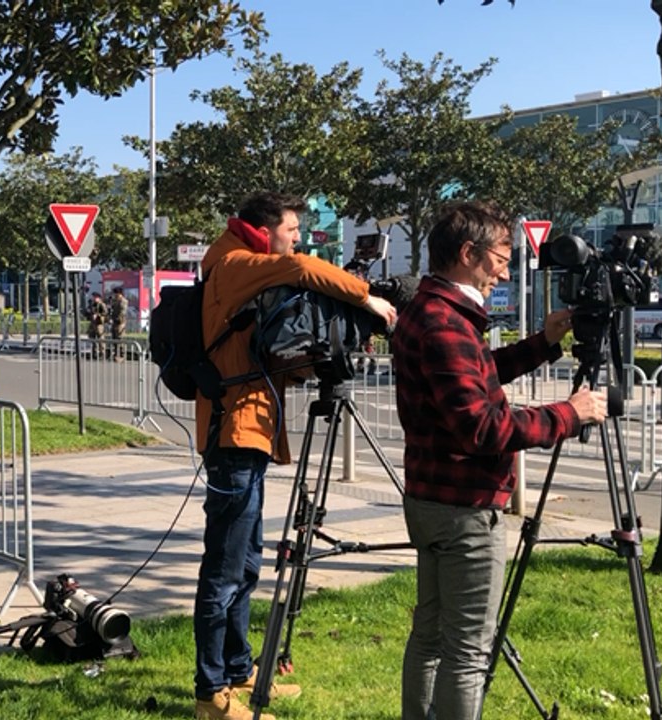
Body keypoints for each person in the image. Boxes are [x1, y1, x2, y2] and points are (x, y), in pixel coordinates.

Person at [391, 201, 607, 720]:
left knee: (430, 635)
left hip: (432, 497)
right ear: (469, 254)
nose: (504, 272)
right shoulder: (446, 323)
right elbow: (483, 426)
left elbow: (475, 375)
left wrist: (543, 344)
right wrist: (569, 414)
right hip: (464, 506)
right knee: (467, 651)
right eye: (500, 259)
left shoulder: (431, 310)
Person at [192, 192, 396, 720]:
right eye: (290, 229)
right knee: (224, 568)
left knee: (249, 564)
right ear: (264, 231)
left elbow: (269, 351)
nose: (297, 238)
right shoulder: (235, 262)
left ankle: (239, 672)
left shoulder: (243, 266)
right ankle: (210, 693)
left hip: (250, 431)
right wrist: (366, 297)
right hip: (234, 433)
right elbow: (302, 267)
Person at [108, 286, 128, 360]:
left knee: (120, 338)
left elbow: (122, 312)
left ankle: (122, 355)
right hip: (114, 322)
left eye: (116, 294)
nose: (115, 295)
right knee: (114, 339)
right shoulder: (115, 301)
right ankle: (116, 354)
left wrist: (117, 319)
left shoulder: (123, 301)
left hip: (120, 322)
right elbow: (112, 310)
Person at [85, 292, 107, 359]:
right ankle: (94, 353)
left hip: (99, 324)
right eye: (93, 297)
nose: (94, 298)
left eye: (95, 297)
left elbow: (105, 313)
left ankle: (102, 353)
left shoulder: (102, 304)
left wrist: (98, 315)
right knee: (92, 338)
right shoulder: (92, 304)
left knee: (101, 339)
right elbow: (88, 312)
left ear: (98, 298)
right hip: (93, 323)